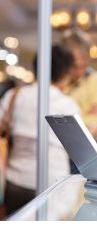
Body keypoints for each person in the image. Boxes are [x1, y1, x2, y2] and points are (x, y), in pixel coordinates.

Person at [1, 45, 80, 214]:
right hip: (54, 183)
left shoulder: (14, 96)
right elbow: (77, 148)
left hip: (15, 181)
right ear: (65, 73)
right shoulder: (67, 104)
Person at [60, 31, 97, 141]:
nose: (80, 72)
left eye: (84, 66)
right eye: (74, 66)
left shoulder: (95, 79)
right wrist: (87, 117)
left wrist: (69, 123)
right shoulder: (55, 81)